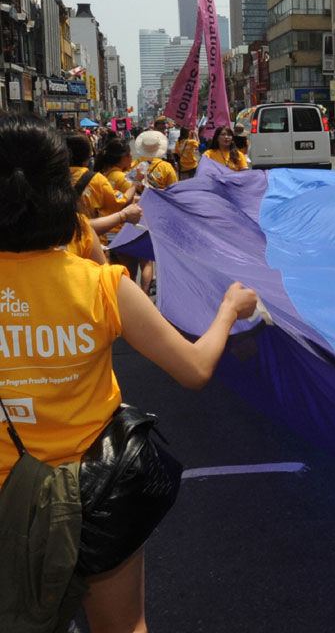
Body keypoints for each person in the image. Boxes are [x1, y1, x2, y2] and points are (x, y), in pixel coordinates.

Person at [0, 114, 258, 633]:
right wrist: (229, 308)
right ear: (62, 194)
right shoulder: (103, 286)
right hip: (97, 494)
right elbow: (194, 370)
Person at [67, 134, 136, 231]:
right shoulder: (96, 179)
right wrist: (135, 184)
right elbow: (117, 202)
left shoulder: (51, 178)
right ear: (88, 155)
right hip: (90, 239)